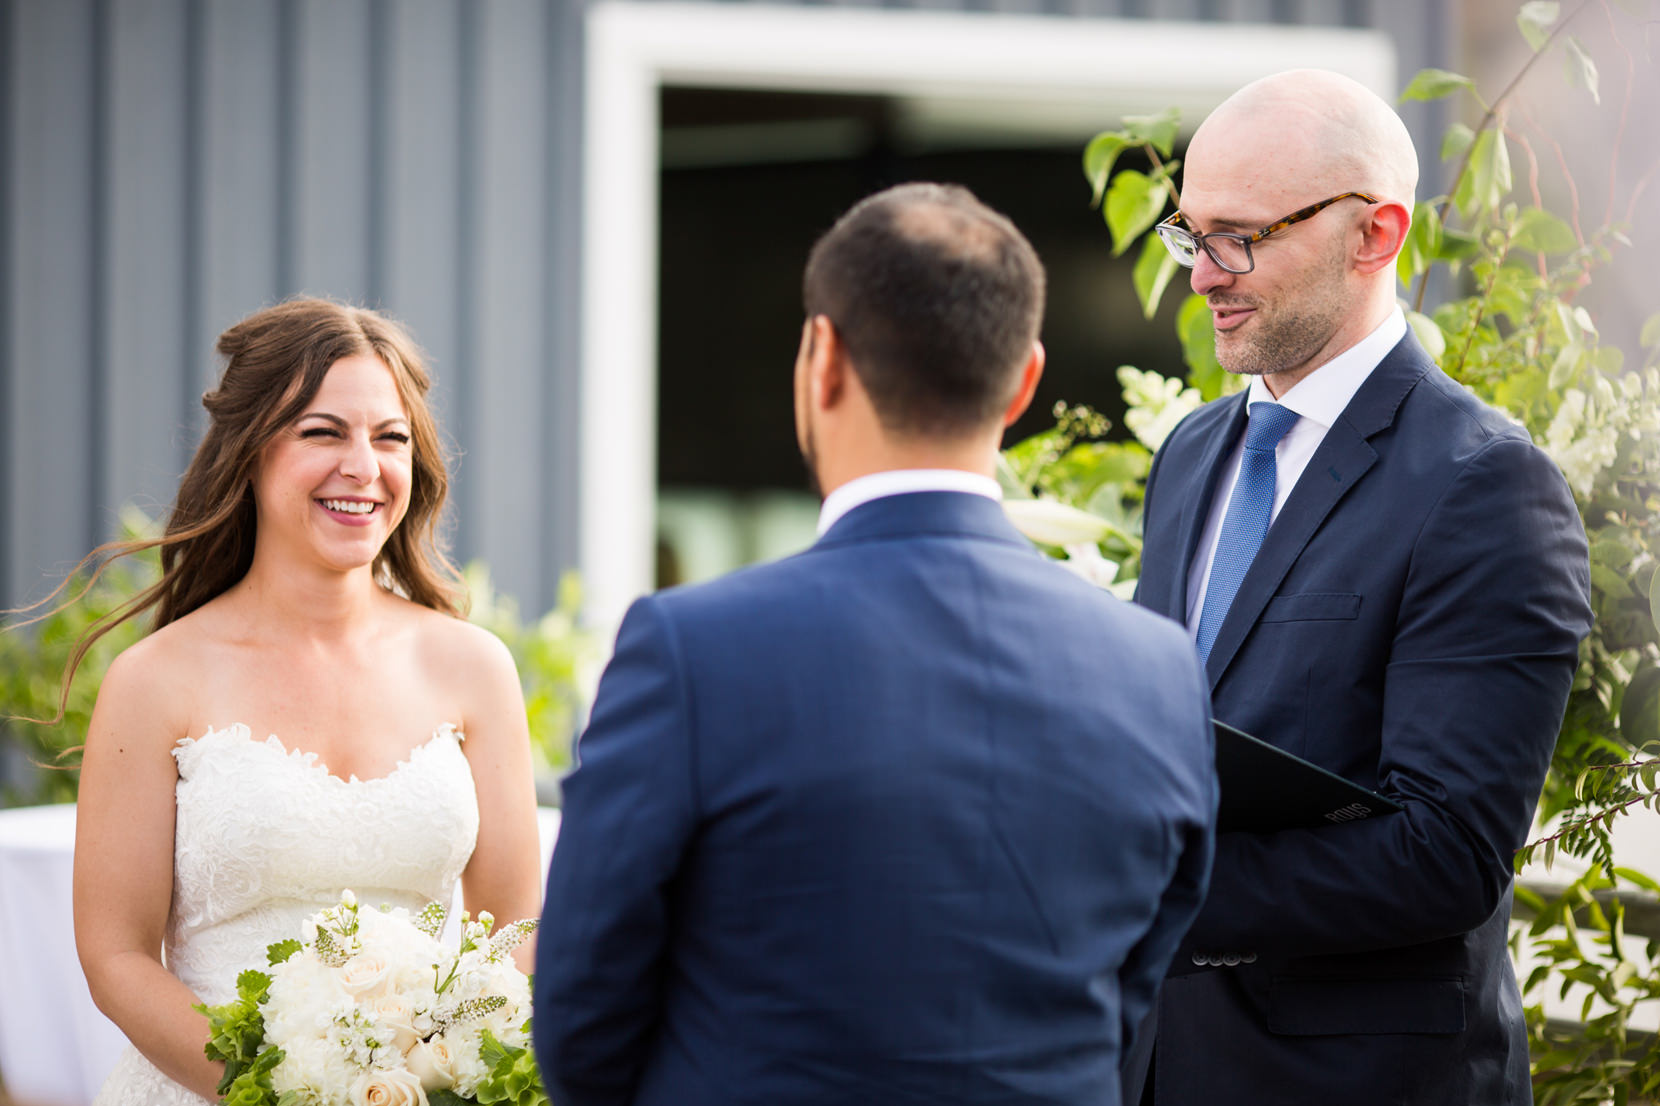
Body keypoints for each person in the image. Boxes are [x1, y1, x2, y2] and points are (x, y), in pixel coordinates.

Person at [533, 182, 1217, 1106]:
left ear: (822, 359)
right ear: (1025, 380)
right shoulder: (1159, 671)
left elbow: (580, 1020)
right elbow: (1132, 994)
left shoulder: (693, 650)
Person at [1127, 70, 1593, 1105]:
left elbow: (1446, 852)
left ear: (1374, 235)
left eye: (1237, 236)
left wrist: (1149, 892)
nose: (1201, 275)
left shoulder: (1485, 485)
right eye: (1188, 233)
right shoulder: (1192, 454)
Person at [65, 298, 544, 1105]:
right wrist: (277, 1091)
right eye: (324, 433)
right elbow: (116, 957)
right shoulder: (155, 681)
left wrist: (446, 1072)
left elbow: (515, 926)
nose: (363, 467)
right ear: (251, 453)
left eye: (390, 438)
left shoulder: (473, 667)